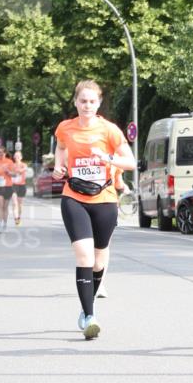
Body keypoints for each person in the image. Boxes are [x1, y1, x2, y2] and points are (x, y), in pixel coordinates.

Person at [53, 79, 135, 339]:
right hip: (74, 197)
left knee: (99, 262)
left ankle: (88, 304)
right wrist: (58, 165)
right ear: (76, 102)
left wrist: (107, 158)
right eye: (83, 101)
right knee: (84, 257)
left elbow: (130, 162)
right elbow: (61, 147)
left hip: (105, 200)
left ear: (98, 104)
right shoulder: (65, 128)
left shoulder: (109, 130)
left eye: (92, 101)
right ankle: (89, 316)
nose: (87, 105)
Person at [10, 151, 28, 225]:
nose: (16, 158)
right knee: (14, 203)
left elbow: (23, 169)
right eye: (15, 156)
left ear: (21, 157)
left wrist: (16, 172)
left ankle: (19, 217)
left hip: (22, 186)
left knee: (20, 204)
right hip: (13, 185)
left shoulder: (24, 165)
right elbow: (10, 173)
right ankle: (16, 218)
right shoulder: (12, 165)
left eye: (18, 156)